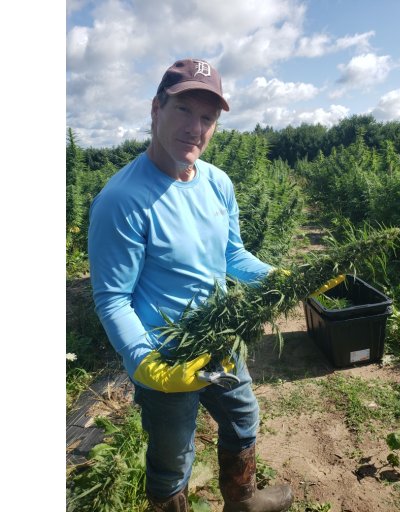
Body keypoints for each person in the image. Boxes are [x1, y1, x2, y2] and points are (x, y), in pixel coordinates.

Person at [88, 58, 294, 512]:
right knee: (173, 456)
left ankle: (242, 501)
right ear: (156, 108)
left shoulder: (218, 183)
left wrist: (281, 279)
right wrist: (146, 363)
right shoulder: (122, 200)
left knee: (243, 417)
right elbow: (113, 297)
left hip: (219, 338)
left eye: (207, 117)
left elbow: (232, 255)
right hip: (166, 356)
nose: (195, 128)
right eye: (183, 110)